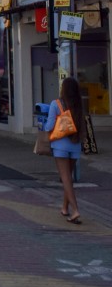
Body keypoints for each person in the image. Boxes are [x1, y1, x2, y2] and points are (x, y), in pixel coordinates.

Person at [45, 76, 85, 224]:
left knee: (65, 178)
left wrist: (43, 125)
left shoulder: (56, 104)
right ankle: (64, 208)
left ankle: (75, 210)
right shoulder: (79, 105)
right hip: (75, 145)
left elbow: (49, 126)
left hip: (60, 145)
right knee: (68, 177)